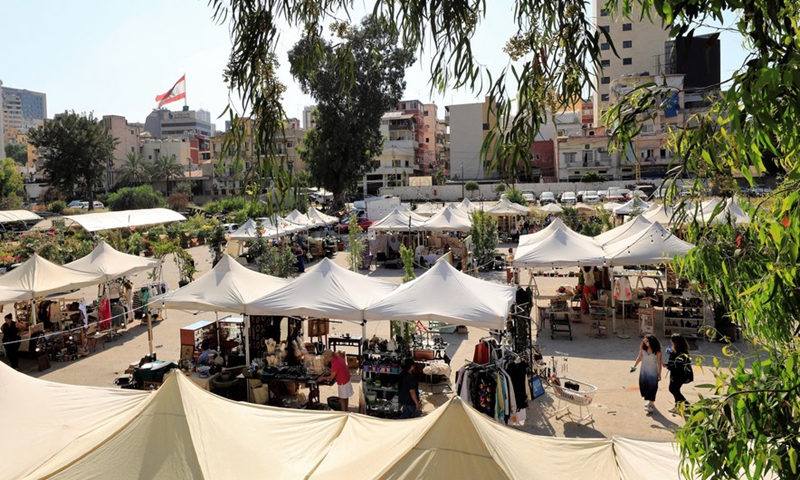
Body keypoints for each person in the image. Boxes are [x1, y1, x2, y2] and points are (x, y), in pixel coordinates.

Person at [631, 334, 662, 414]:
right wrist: (634, 366)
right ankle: (650, 402)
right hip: (644, 371)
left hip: (653, 372)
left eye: (647, 341)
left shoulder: (657, 352)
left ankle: (651, 404)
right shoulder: (642, 348)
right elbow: (639, 357)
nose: (645, 342)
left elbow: (659, 363)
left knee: (652, 388)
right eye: (644, 340)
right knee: (644, 386)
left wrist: (659, 374)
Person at [665, 333, 691, 413]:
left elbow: (678, 366)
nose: (670, 342)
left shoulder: (680, 353)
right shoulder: (680, 351)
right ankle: (679, 406)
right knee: (675, 390)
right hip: (678, 374)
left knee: (673, 389)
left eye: (672, 340)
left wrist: (667, 366)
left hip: (679, 375)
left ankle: (686, 405)